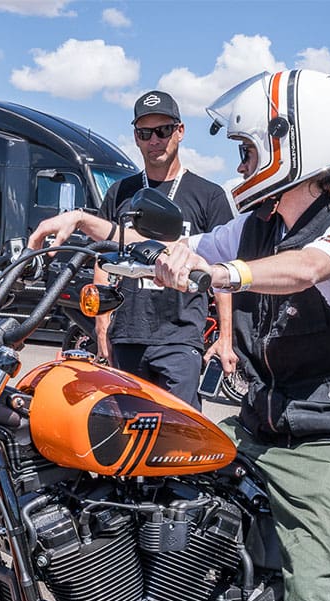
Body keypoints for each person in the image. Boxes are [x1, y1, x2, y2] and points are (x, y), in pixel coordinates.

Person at [29, 69, 330, 601]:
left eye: (249, 148)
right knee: (150, 469)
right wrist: (87, 226)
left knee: (314, 586)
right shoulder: (257, 224)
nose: (243, 162)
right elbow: (174, 245)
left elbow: (304, 269)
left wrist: (227, 274)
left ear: (296, 144)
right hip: (265, 423)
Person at [94, 90, 235, 410]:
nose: (154, 140)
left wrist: (226, 337)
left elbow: (223, 271)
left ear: (180, 131)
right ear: (136, 137)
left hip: (181, 338)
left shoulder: (208, 195)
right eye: (145, 133)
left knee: (179, 437)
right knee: (128, 434)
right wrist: (102, 323)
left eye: (163, 130)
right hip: (127, 334)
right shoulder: (120, 192)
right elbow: (104, 257)